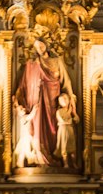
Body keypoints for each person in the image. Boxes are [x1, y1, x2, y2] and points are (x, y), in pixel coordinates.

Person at [15, 35, 76, 164]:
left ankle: (55, 155)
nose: (39, 48)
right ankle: (39, 156)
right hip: (36, 99)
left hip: (53, 99)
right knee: (37, 125)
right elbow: (24, 84)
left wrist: (71, 96)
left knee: (54, 126)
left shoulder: (57, 61)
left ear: (46, 45)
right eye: (36, 46)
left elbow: (66, 81)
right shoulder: (32, 64)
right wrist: (17, 97)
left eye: (41, 45)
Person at [54, 92, 78, 168]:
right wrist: (69, 115)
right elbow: (61, 120)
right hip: (63, 130)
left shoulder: (71, 110)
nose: (64, 101)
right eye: (62, 100)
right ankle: (66, 164)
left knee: (72, 148)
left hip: (70, 130)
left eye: (65, 99)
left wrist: (74, 113)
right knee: (64, 147)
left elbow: (77, 120)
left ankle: (74, 163)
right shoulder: (59, 111)